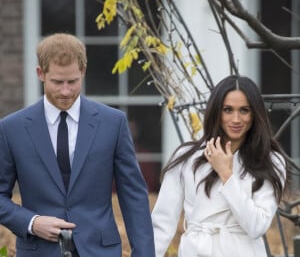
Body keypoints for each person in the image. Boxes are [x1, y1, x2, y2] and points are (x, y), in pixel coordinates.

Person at [0, 33, 155, 257]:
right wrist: (32, 222)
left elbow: (134, 198)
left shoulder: (113, 123)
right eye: (57, 82)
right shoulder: (11, 128)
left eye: (72, 81)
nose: (65, 91)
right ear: (40, 74)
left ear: (82, 71)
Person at [151, 75, 288, 257]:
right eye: (228, 110)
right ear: (216, 111)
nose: (236, 119)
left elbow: (257, 226)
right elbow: (162, 224)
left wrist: (226, 174)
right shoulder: (187, 157)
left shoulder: (270, 160)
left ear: (255, 114)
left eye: (244, 110)